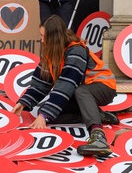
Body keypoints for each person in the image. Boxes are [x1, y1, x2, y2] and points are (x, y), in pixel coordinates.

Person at [11, 15, 119, 156]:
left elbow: (66, 85)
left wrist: (44, 116)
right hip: (80, 91)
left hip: (103, 87)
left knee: (79, 93)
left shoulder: (76, 51)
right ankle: (98, 115)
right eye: (41, 36)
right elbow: (40, 84)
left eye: (44, 36)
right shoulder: (51, 53)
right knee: (44, 111)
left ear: (54, 38)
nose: (41, 40)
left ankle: (98, 136)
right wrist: (23, 103)